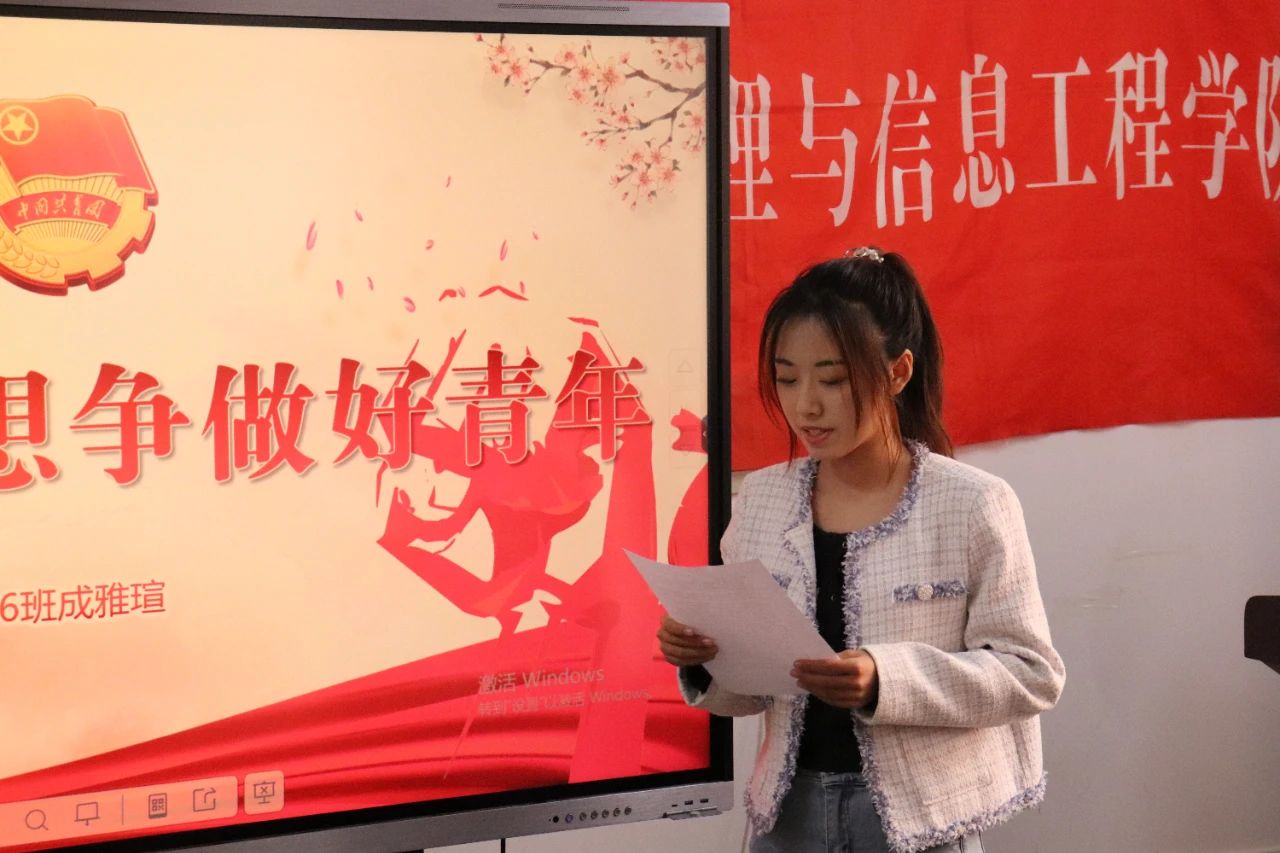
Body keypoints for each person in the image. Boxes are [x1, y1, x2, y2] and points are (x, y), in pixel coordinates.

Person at [657, 248, 1065, 853]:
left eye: (833, 379)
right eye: (787, 378)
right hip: (787, 815)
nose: (806, 405)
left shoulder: (971, 503)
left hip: (921, 822)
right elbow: (751, 693)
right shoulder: (763, 500)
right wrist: (703, 657)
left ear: (898, 373)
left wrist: (884, 678)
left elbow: (1031, 674)